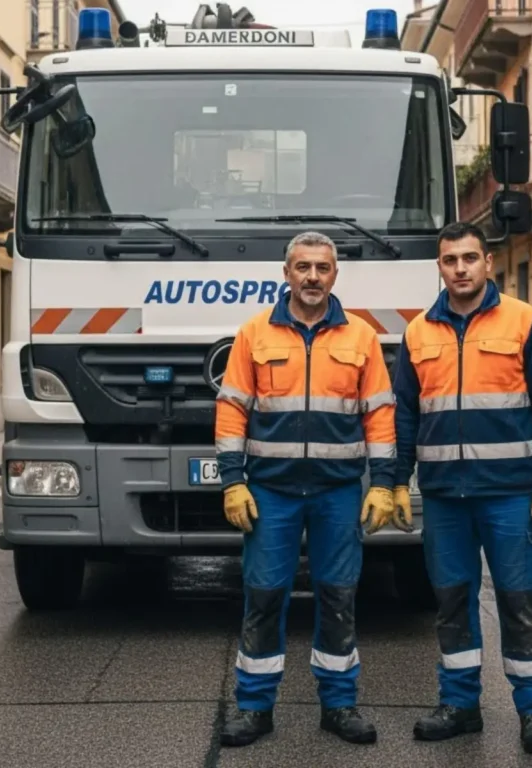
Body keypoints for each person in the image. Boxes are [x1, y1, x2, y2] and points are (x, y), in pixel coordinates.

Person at [390, 221, 532, 756]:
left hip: (510, 494)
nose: (461, 269)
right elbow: (404, 414)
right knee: (451, 601)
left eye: (470, 258)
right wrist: (395, 482)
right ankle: (460, 704)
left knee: (518, 600)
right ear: (440, 267)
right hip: (444, 497)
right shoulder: (418, 331)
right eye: (450, 260)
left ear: (488, 263)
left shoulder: (524, 322)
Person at [214, 231, 397, 747]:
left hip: (337, 492)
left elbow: (379, 414)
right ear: (286, 274)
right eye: (303, 267)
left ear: (335, 275)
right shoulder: (254, 334)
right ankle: (254, 708)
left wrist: (383, 485)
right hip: (270, 492)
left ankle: (339, 705)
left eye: (322, 268)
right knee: (264, 595)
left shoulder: (361, 337)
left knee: (338, 595)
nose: (312, 277)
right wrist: (232, 481)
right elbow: (232, 409)